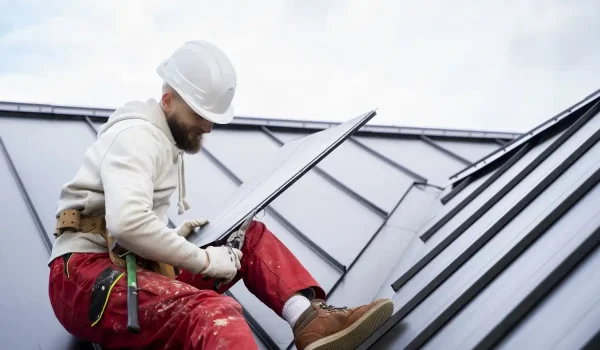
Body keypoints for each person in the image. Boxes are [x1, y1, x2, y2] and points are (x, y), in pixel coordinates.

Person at [47, 40, 393, 350]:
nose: (209, 126)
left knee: (247, 236)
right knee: (212, 312)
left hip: (125, 266)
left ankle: (310, 321)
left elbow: (125, 226)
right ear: (167, 100)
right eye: (200, 113)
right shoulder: (138, 136)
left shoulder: (160, 140)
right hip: (83, 280)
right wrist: (204, 260)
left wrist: (169, 239)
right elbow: (128, 224)